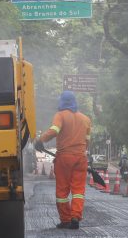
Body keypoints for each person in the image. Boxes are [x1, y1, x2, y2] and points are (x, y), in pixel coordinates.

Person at [35, 90, 92, 230]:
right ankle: (75, 217)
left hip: (64, 158)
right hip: (80, 158)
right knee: (78, 190)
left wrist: (40, 140)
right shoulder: (85, 119)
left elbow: (54, 131)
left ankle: (66, 219)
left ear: (62, 102)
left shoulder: (60, 115)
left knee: (62, 190)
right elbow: (87, 141)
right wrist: (80, 151)